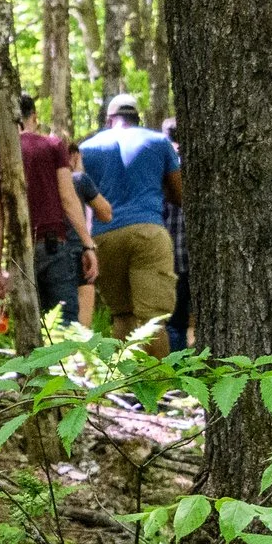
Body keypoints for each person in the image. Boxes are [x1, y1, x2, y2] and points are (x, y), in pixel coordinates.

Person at [77, 92, 184, 353]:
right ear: (137, 117)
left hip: (104, 238)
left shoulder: (88, 149)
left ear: (109, 119)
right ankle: (159, 388)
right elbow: (179, 194)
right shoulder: (159, 142)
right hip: (148, 233)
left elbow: (78, 193)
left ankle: (125, 388)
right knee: (153, 320)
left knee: (122, 315)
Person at [0, 93, 98, 328]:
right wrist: (87, 244)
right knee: (65, 327)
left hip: (18, 253)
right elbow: (68, 197)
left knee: (30, 326)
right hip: (54, 247)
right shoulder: (52, 146)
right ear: (33, 117)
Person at [69, 166, 114, 327]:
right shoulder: (78, 179)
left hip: (40, 249)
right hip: (77, 250)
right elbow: (106, 213)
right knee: (82, 323)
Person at [160, 117, 190, 350]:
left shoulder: (159, 165)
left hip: (166, 255)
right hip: (188, 255)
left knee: (171, 321)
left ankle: (176, 371)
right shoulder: (189, 162)